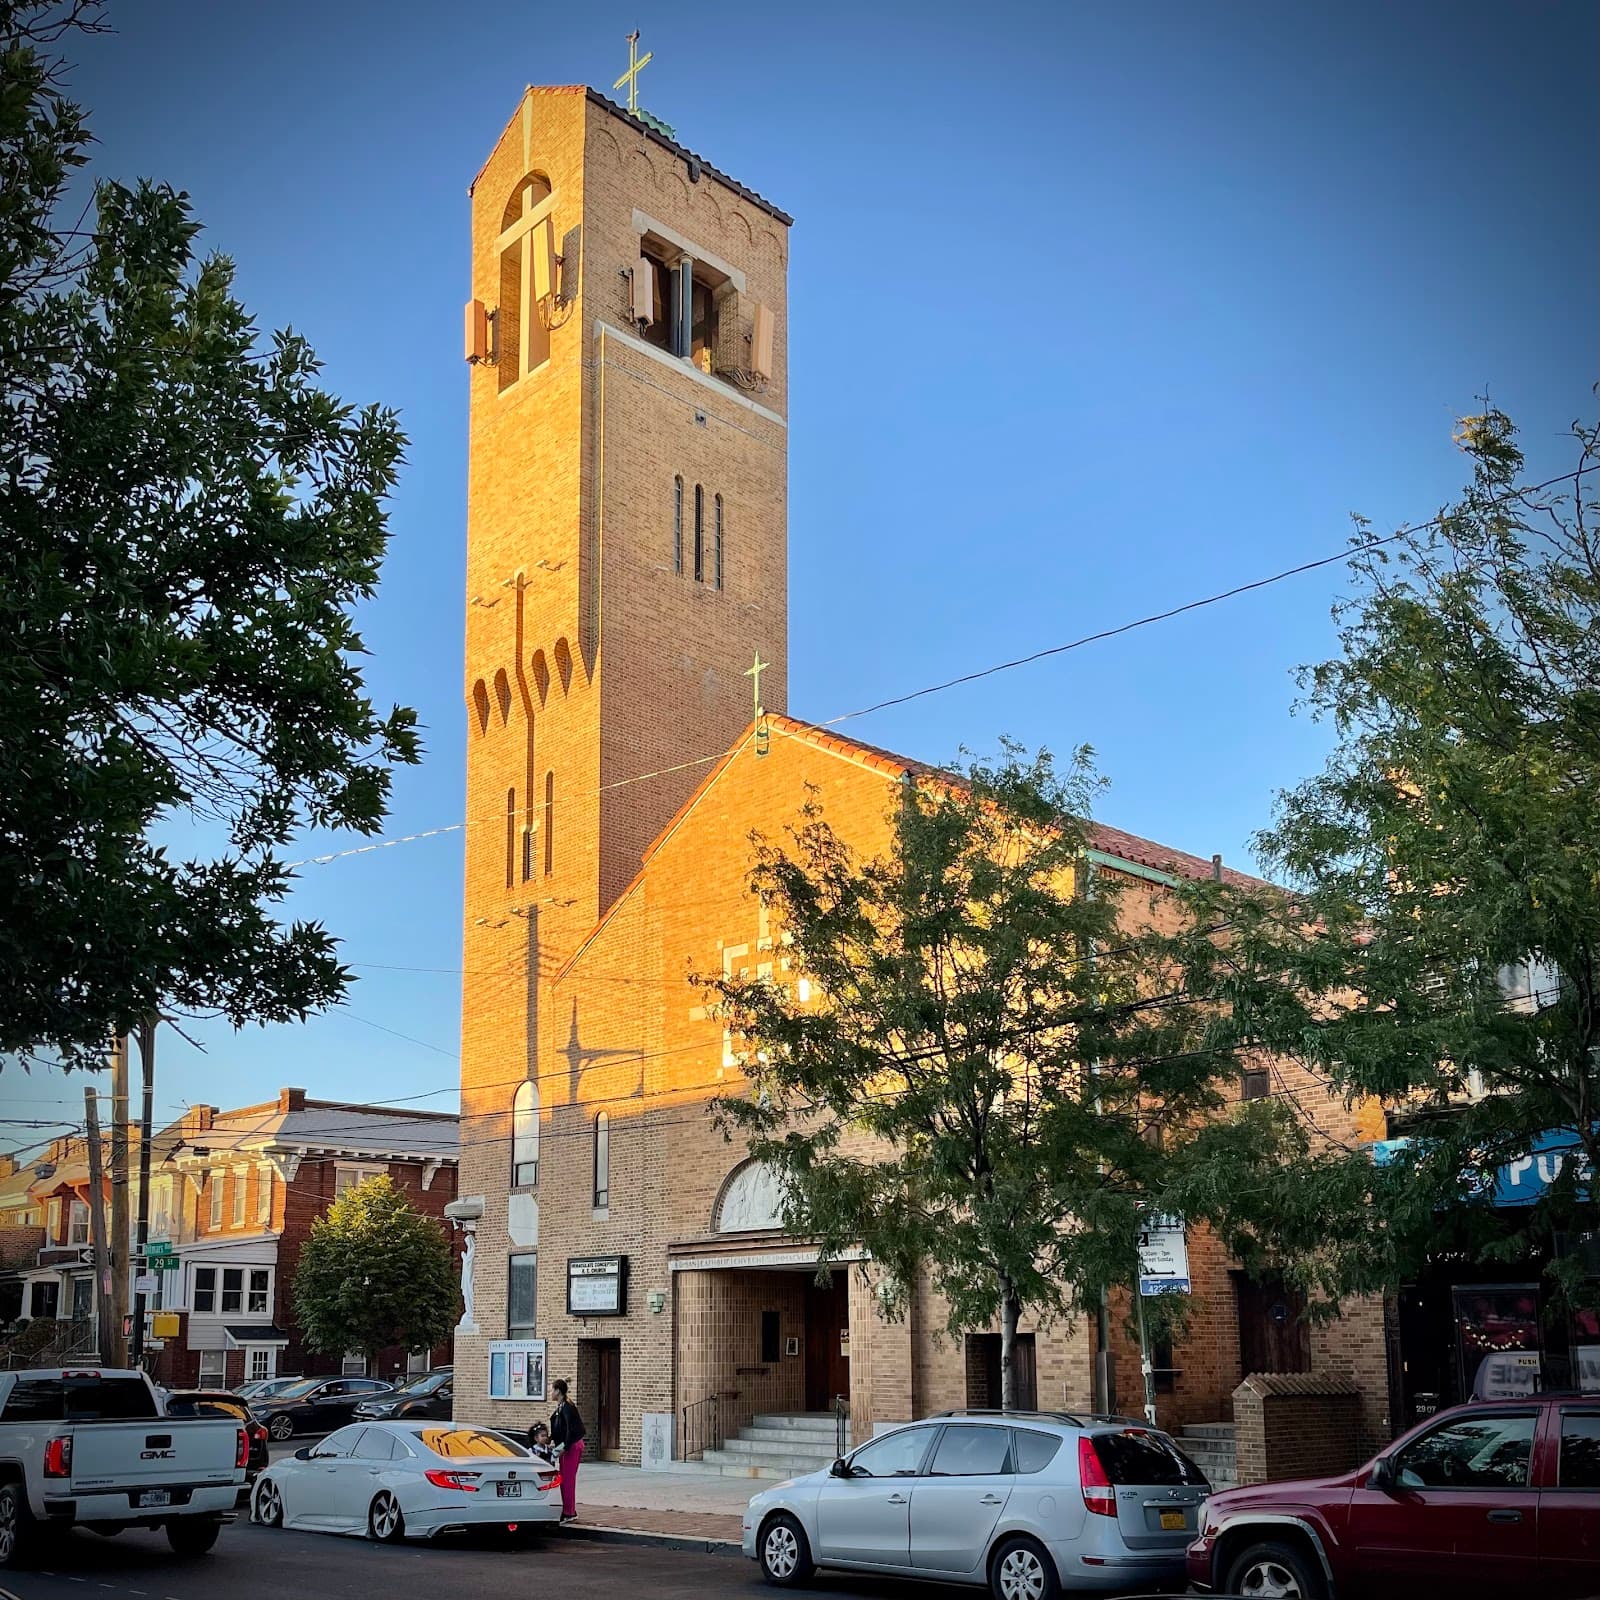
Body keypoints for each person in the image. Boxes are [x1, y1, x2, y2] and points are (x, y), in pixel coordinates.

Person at [549, 1378, 585, 1523]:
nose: (551, 1392)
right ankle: (567, 1509)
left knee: (568, 1480)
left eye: (552, 1389)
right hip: (566, 1445)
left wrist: (564, 1447)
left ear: (558, 1391)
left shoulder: (567, 1407)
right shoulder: (561, 1407)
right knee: (564, 1479)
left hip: (572, 1446)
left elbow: (571, 1429)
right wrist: (550, 1439)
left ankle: (569, 1512)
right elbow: (560, 1428)